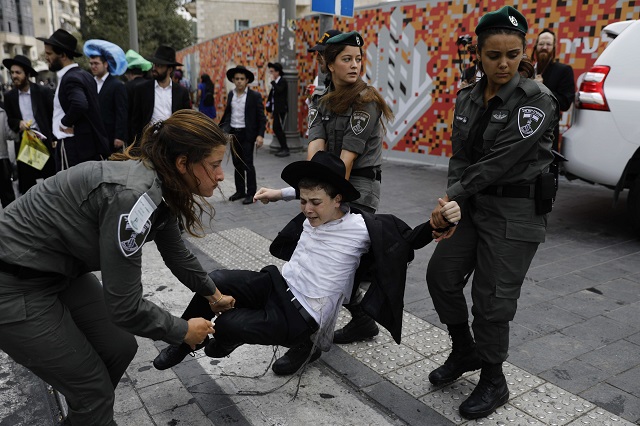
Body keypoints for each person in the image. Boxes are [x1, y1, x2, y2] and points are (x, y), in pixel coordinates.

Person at [0, 109, 235, 425]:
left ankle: (89, 414)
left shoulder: (161, 186)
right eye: (215, 165)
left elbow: (179, 257)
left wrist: (213, 294)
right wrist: (183, 331)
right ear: (183, 164)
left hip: (58, 272)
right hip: (12, 281)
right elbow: (125, 307)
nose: (221, 175)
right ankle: (92, 408)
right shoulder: (133, 196)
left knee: (119, 347)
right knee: (92, 389)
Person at [152, 151, 461, 376]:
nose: (308, 210)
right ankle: (182, 343)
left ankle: (292, 343)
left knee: (228, 324)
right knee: (217, 279)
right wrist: (277, 194)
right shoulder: (312, 207)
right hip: (278, 285)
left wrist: (440, 221)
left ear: (338, 200)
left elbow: (409, 238)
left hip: (303, 315)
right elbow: (306, 193)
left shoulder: (361, 227)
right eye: (303, 202)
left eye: (315, 204)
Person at [425, 6, 559, 420]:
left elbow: (499, 161)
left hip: (514, 213)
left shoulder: (536, 100)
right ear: (478, 55)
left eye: (513, 54)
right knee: (441, 276)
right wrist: (451, 205)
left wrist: (453, 196)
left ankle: (493, 379)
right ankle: (465, 350)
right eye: (494, 55)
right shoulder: (466, 97)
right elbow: (461, 157)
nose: (504, 64)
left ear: (524, 53)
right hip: (473, 205)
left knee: (492, 300)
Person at [306, 31, 394, 346]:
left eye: (358, 59)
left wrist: (321, 201)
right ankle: (362, 321)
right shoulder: (320, 98)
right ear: (329, 64)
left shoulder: (365, 100)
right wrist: (310, 194)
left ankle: (312, 338)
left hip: (357, 188)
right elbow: (316, 148)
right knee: (323, 259)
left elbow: (345, 161)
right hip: (331, 184)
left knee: (334, 262)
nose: (355, 65)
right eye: (347, 59)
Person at [36, 29, 110, 171]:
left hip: (73, 148)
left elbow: (80, 104)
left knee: (69, 190)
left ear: (63, 55)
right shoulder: (84, 75)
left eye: (49, 53)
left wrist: (64, 123)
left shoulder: (71, 78)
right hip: (86, 146)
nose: (46, 57)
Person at [2, 54, 55, 193]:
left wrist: (54, 139)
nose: (14, 76)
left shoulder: (43, 92)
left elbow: (52, 116)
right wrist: (18, 123)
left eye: (18, 72)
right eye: (12, 72)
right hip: (24, 145)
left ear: (27, 74)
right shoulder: (9, 96)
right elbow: (10, 120)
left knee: (51, 182)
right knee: (27, 187)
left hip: (43, 141)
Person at [219, 65, 266, 205]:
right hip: (234, 133)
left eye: (242, 79)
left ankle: (251, 193)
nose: (239, 81)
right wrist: (225, 130)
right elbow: (228, 114)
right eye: (237, 79)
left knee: (248, 164)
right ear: (233, 80)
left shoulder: (254, 96)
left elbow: (261, 118)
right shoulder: (231, 94)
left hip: (247, 134)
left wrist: (260, 135)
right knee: (237, 163)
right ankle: (240, 191)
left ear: (247, 81)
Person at [130, 46, 191, 144]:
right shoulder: (142, 90)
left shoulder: (181, 92)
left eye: (159, 66)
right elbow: (135, 120)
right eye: (154, 65)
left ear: (170, 69)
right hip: (149, 142)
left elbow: (186, 119)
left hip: (173, 142)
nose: (155, 68)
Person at [531, 28, 576, 151]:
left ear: (554, 47)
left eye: (548, 44)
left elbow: (565, 103)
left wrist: (543, 88)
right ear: (535, 46)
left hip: (548, 133)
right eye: (541, 44)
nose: (544, 47)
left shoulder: (563, 71)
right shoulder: (526, 70)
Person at [85, 39, 129, 152]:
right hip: (91, 138)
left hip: (110, 138)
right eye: (91, 64)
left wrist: (119, 136)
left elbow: (121, 112)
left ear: (105, 64)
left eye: (96, 63)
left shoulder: (117, 85)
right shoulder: (88, 83)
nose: (93, 66)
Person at [123, 49, 152, 146]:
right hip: (148, 128)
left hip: (131, 129)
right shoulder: (150, 85)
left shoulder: (126, 86)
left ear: (130, 73)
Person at [266, 62, 289, 157]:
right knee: (277, 128)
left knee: (278, 128)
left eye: (272, 72)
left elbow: (279, 90)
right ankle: (283, 147)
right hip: (276, 109)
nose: (271, 74)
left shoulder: (282, 81)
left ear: (277, 72)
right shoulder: (276, 82)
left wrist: (272, 82)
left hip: (280, 110)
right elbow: (272, 96)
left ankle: (285, 148)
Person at [0, 105, 16, 207]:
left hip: (2, 157)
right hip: (1, 158)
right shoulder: (1, 113)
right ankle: (10, 221)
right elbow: (10, 135)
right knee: (7, 195)